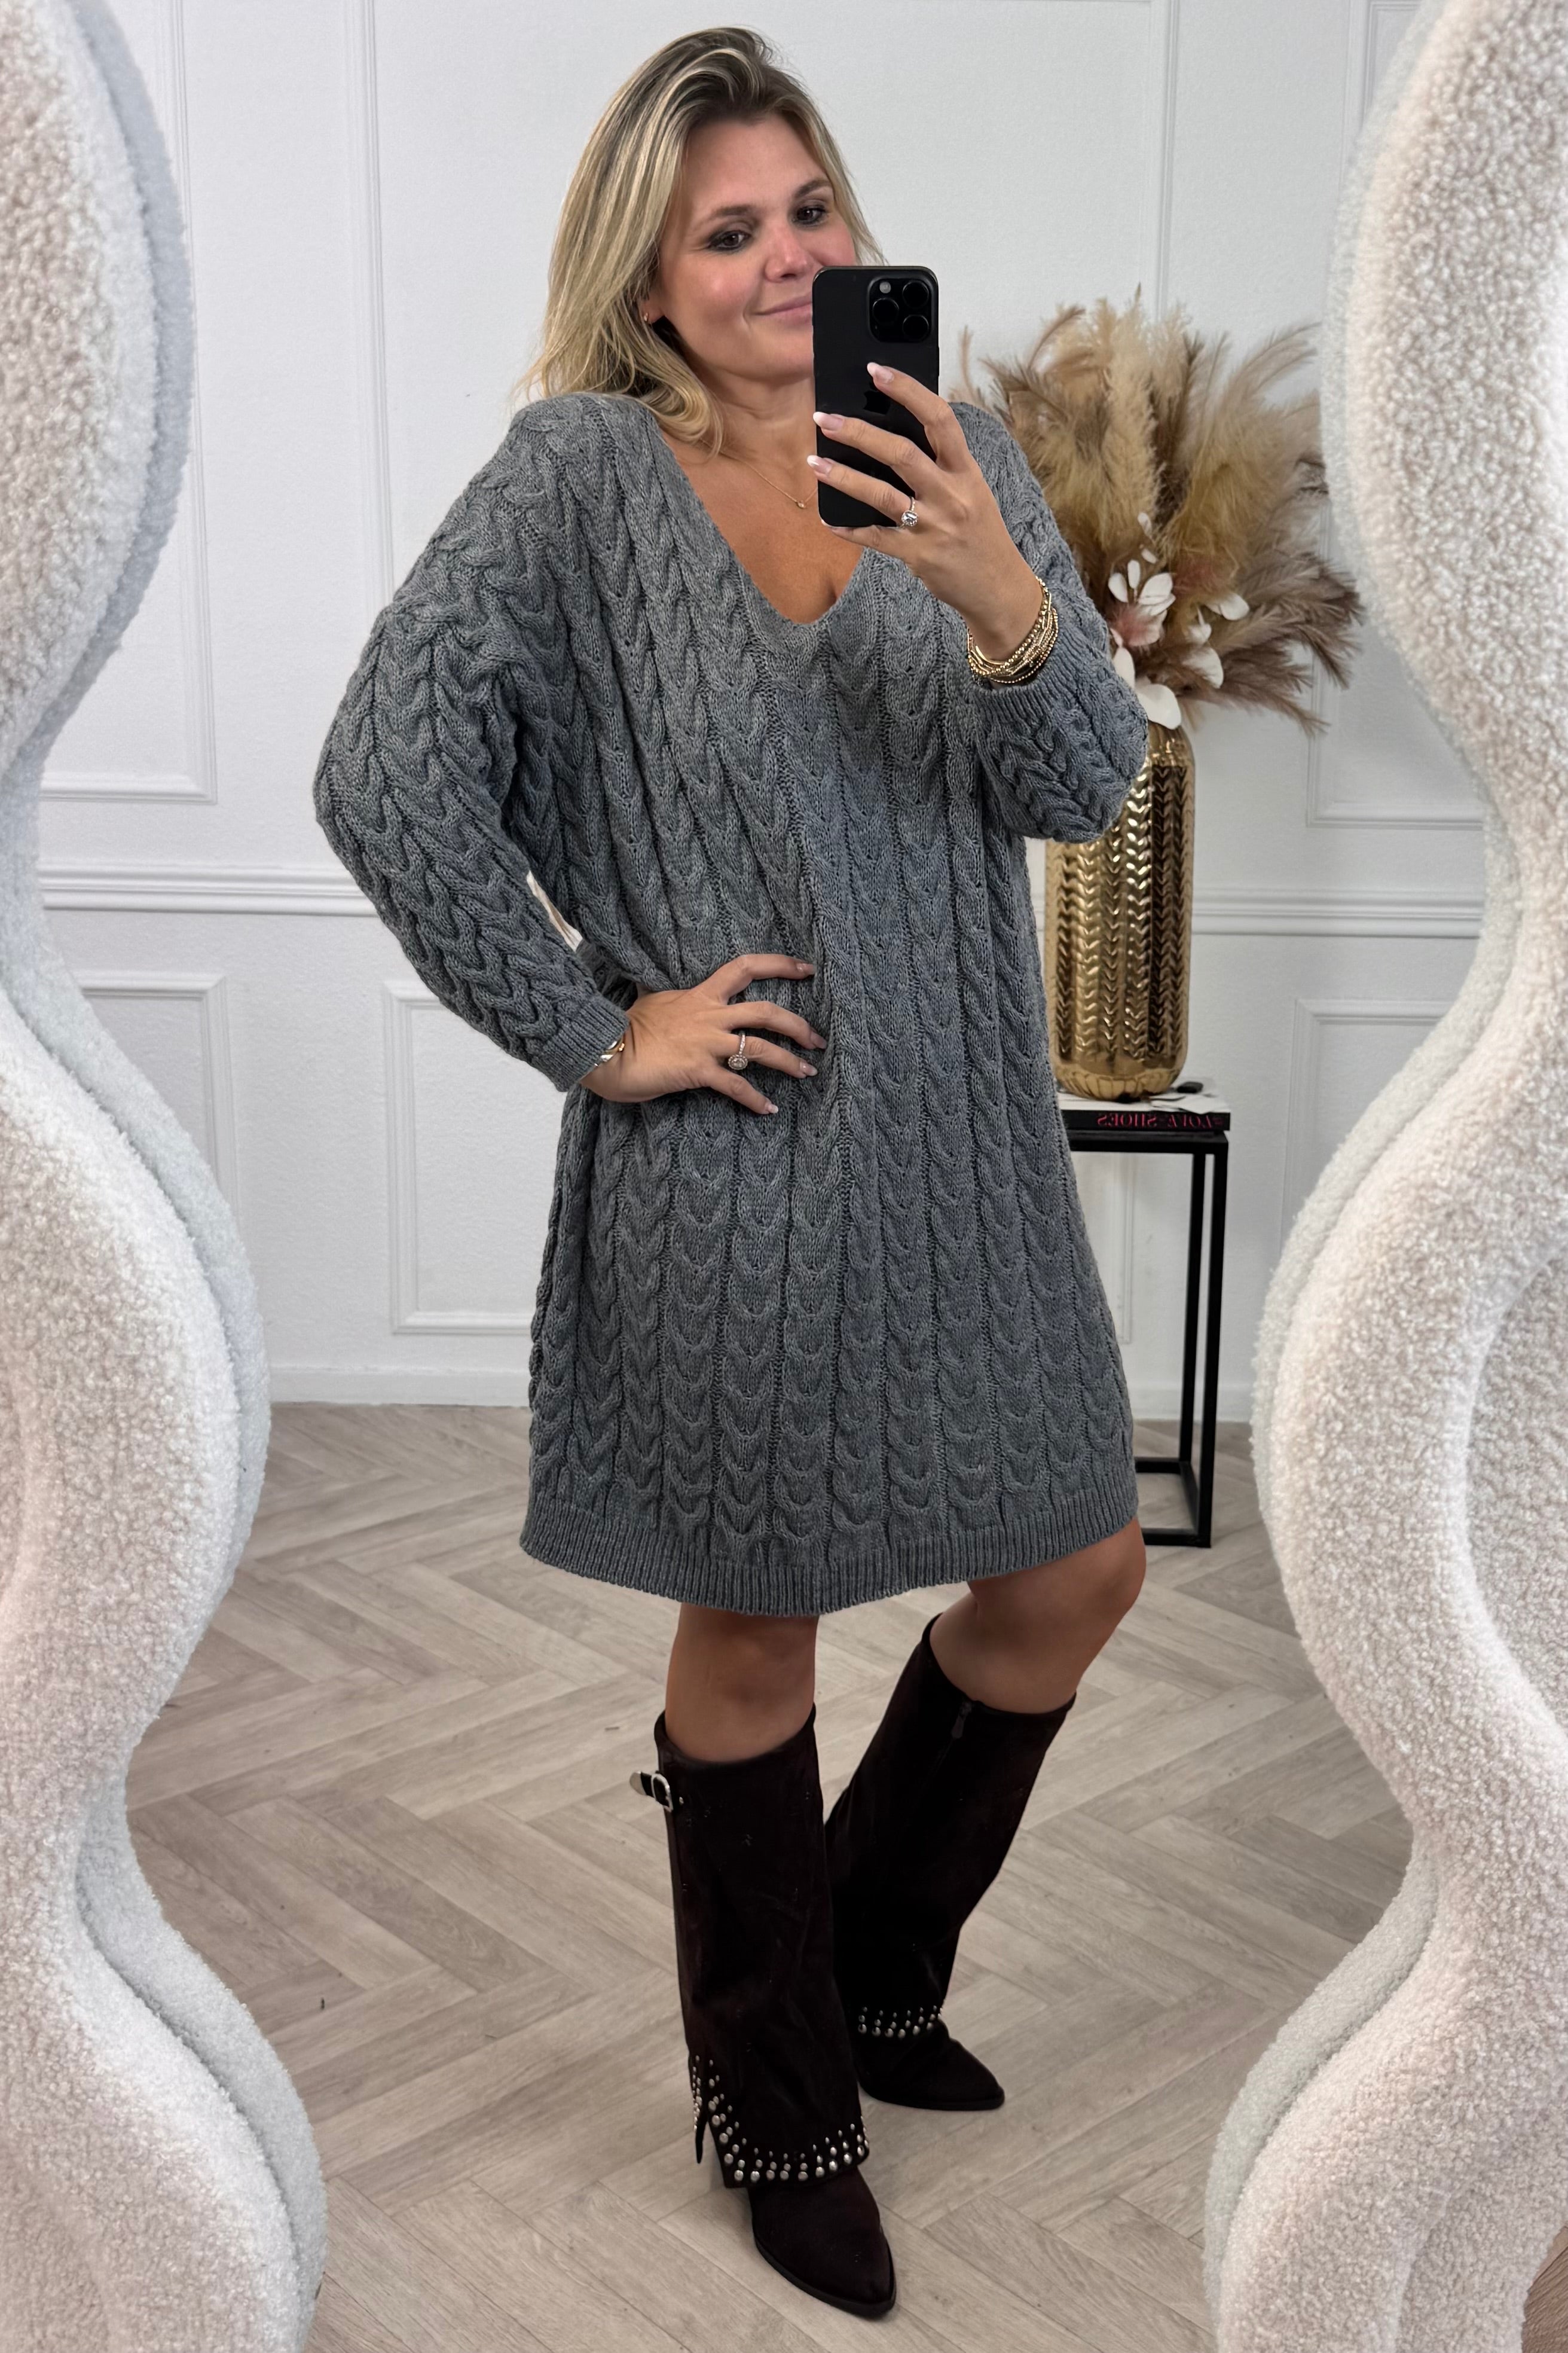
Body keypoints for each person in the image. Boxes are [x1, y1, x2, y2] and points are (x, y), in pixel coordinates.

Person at [313, 23, 1151, 2325]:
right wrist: (605, 1029)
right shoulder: (577, 483)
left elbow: (1085, 786)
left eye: (811, 211)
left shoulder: (954, 449)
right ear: (649, 278)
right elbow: (384, 774)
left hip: (969, 1158)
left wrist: (998, 593)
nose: (786, 259)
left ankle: (859, 1964)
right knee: (757, 1620)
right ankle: (777, 2102)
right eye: (728, 231)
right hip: (740, 1160)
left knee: (1077, 1565)